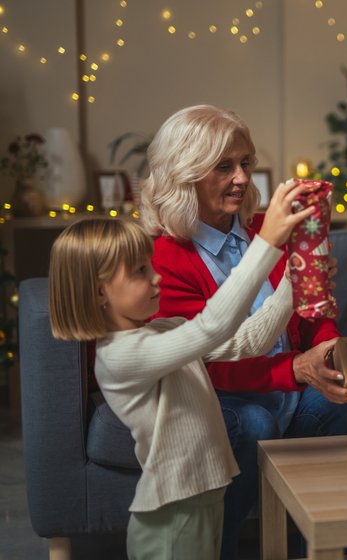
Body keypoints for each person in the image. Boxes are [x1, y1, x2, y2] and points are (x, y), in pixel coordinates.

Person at [140, 105, 347, 558]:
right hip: (218, 395)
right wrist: (296, 369)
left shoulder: (265, 227)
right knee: (252, 422)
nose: (243, 178)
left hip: (287, 384)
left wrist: (325, 349)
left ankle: (318, 548)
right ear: (185, 173)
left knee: (346, 397)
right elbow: (206, 362)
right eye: (224, 167)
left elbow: (311, 307)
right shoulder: (164, 256)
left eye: (246, 163)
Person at [47, 180, 316, 558]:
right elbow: (212, 326)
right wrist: (266, 245)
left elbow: (245, 341)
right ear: (99, 292)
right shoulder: (121, 356)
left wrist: (292, 284)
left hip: (202, 496)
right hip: (173, 512)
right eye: (141, 271)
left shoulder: (162, 331)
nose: (156, 277)